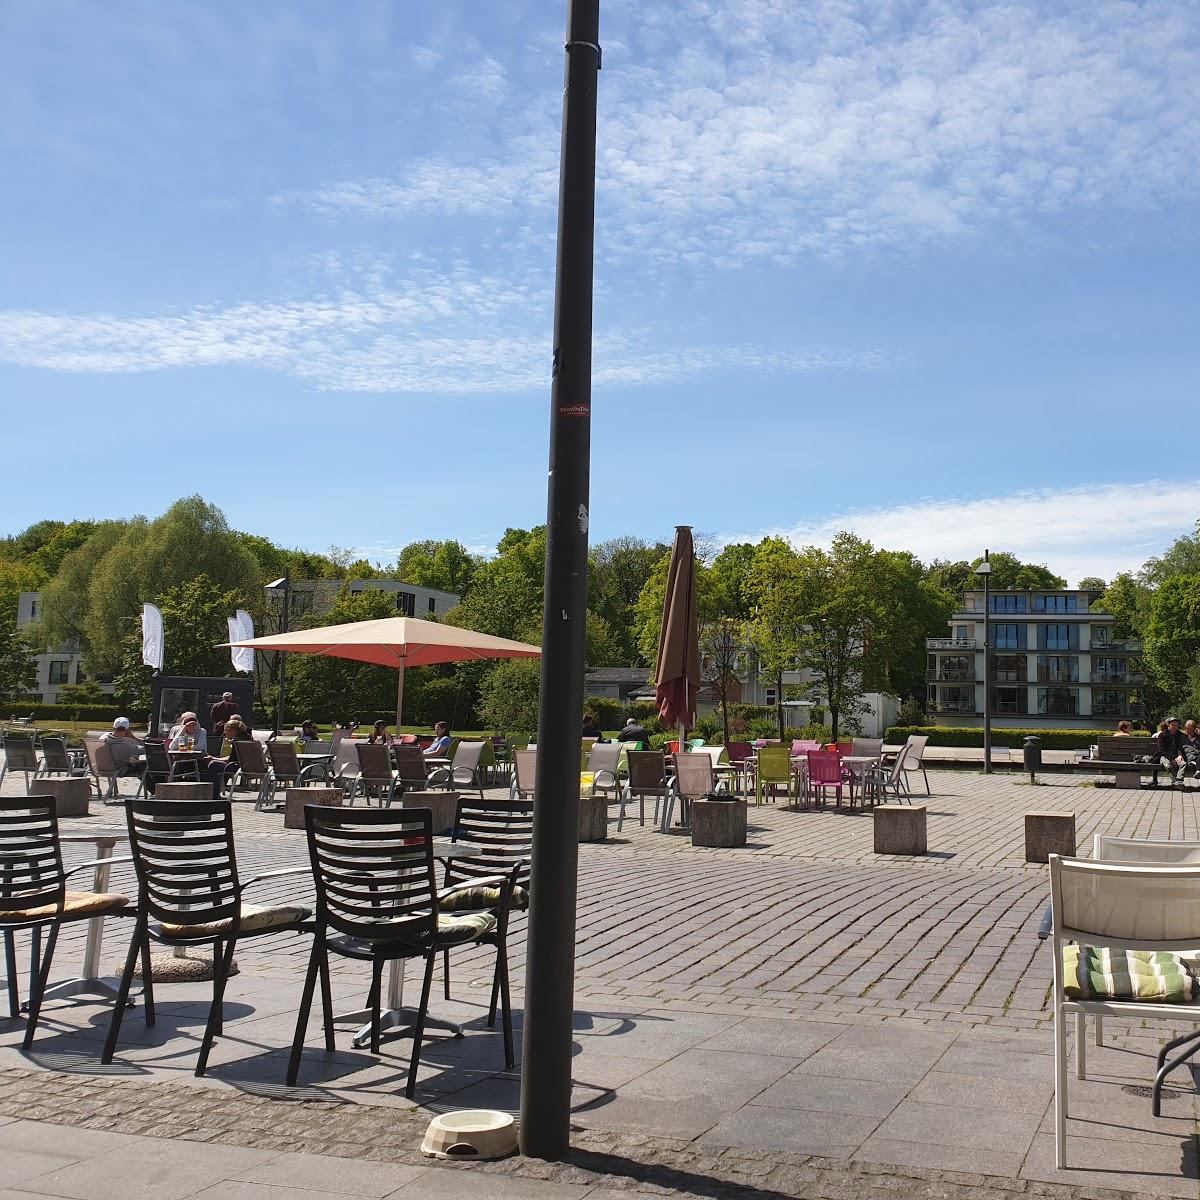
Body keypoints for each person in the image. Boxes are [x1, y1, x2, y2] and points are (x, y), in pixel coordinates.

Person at [1156, 717, 1186, 783]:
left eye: (1177, 725)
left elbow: (1180, 746)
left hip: (1176, 756)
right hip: (1164, 756)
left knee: (1183, 764)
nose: (1175, 727)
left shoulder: (1179, 734)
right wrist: (1171, 759)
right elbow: (1161, 750)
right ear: (1168, 725)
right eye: (1173, 725)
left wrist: (1180, 755)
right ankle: (1175, 782)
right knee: (1168, 766)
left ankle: (1179, 779)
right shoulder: (1162, 735)